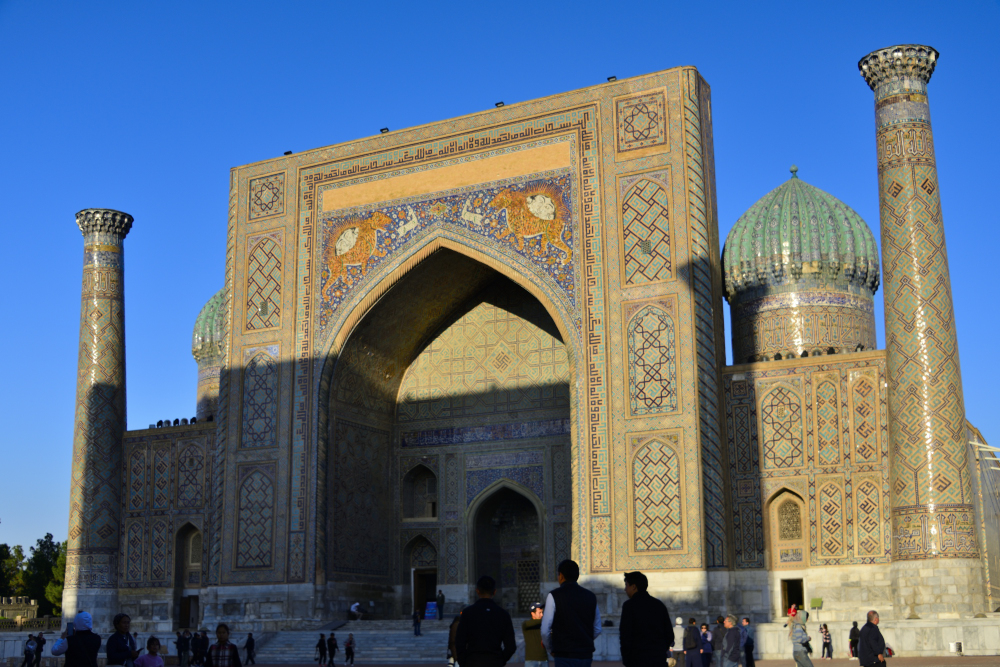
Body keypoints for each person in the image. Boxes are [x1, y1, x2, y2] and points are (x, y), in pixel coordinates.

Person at [540, 560, 602, 667]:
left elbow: (545, 630)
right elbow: (597, 629)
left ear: (561, 576)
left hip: (564, 655)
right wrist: (583, 640)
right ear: (577, 576)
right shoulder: (591, 596)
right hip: (585, 655)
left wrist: (551, 649)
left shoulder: (554, 596)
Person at [454, 575, 516, 667]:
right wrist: (500, 660)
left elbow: (459, 642)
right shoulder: (503, 614)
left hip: (473, 662)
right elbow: (511, 647)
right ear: (494, 592)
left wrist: (464, 662)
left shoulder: (468, 613)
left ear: (477, 591)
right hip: (494, 662)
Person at [618, 572, 673, 667]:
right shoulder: (659, 605)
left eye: (626, 585)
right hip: (658, 659)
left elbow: (625, 635)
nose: (625, 589)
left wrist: (627, 660)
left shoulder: (629, 606)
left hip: (636, 660)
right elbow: (669, 635)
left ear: (634, 586)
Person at [523, 602, 549, 667]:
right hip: (531, 661)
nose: (542, 615)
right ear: (533, 614)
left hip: (544, 660)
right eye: (539, 613)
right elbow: (527, 624)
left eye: (542, 612)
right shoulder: (526, 624)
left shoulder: (544, 625)